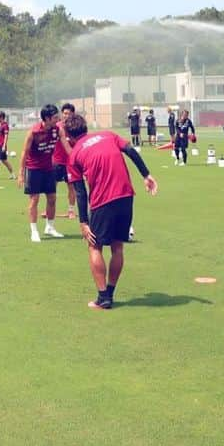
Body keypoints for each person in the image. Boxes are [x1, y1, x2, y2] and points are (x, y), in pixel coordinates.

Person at [65, 114, 158, 310]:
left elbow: (80, 193)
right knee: (117, 247)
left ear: (69, 137)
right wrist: (146, 175)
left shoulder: (73, 156)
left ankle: (103, 298)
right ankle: (110, 293)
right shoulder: (109, 135)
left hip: (102, 202)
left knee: (94, 247)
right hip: (126, 196)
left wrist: (83, 222)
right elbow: (131, 151)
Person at [18, 103, 65, 241]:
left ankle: (49, 227)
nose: (58, 119)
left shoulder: (58, 130)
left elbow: (67, 147)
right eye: (55, 117)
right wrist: (21, 173)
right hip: (33, 169)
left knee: (52, 198)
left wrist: (80, 161)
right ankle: (34, 231)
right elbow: (24, 153)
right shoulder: (33, 132)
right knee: (34, 200)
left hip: (49, 168)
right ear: (47, 118)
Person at [54, 102, 78, 219]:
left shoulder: (75, 128)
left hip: (70, 162)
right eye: (64, 113)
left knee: (71, 187)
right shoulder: (57, 126)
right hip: (57, 161)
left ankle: (71, 210)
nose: (66, 116)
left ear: (73, 114)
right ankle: (50, 208)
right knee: (52, 186)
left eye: (68, 113)